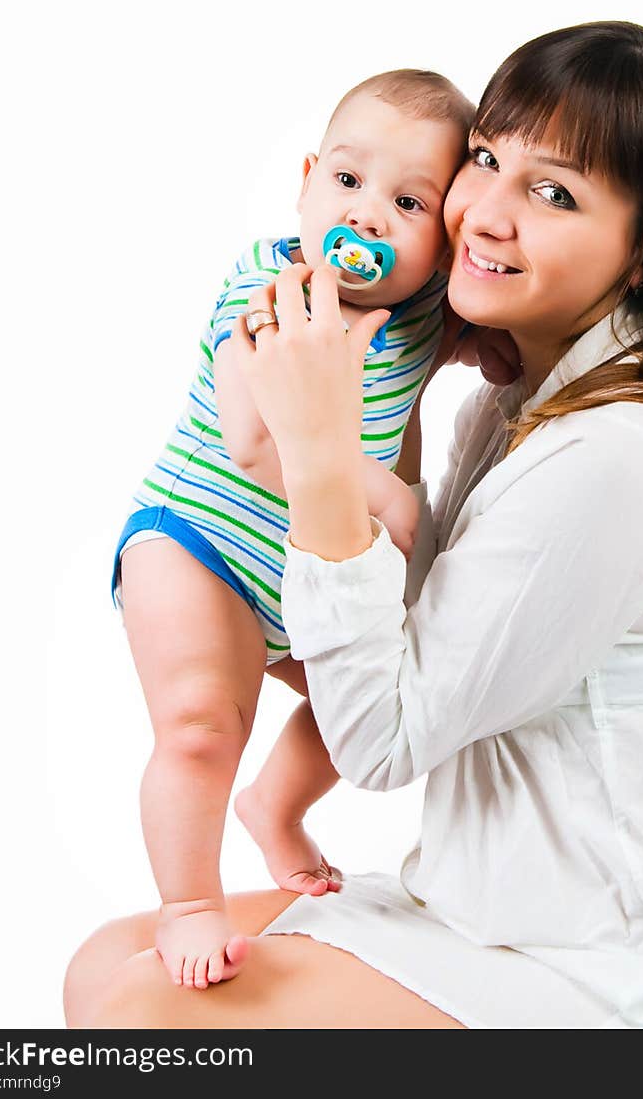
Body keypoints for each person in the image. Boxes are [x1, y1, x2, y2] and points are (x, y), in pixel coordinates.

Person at [65, 21, 643, 1029]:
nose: (486, 216)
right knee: (104, 965)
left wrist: (327, 460)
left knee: (144, 1021)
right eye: (487, 162)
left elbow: (380, 738)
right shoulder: (510, 399)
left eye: (553, 194)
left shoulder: (617, 458)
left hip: (625, 962)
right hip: (483, 902)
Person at [110, 68, 482, 989]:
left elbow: (510, 338)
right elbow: (253, 443)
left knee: (367, 697)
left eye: (409, 203)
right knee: (200, 724)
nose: (367, 218)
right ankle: (189, 903)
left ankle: (273, 807)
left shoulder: (425, 311)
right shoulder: (272, 287)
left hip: (302, 575)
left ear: (445, 240)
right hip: (196, 542)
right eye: (348, 183)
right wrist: (394, 503)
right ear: (309, 178)